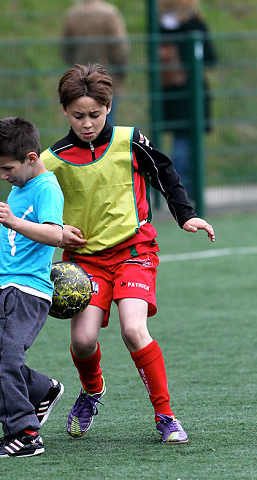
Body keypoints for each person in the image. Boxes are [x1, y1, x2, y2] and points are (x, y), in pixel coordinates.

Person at [41, 63, 215, 445]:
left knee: (134, 329)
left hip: (134, 251)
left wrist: (186, 215)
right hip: (84, 262)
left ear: (109, 106)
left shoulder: (129, 140)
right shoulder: (51, 160)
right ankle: (92, 391)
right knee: (84, 341)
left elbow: (164, 173)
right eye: (78, 115)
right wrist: (15, 233)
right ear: (64, 111)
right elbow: (32, 211)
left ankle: (165, 415)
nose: (87, 123)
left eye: (95, 114)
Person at [0, 117, 65, 458]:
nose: (3, 175)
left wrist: (13, 222)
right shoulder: (20, 188)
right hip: (3, 286)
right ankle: (40, 390)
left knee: (1, 358)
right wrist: (2, 240)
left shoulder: (46, 187)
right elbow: (26, 235)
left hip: (24, 290)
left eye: (7, 167)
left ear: (32, 158)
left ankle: (24, 433)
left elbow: (55, 234)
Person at [159, 0, 217, 197]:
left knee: (181, 142)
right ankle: (182, 189)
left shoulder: (161, 26)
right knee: (187, 144)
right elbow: (210, 58)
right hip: (191, 93)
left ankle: (180, 187)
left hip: (173, 94)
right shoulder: (194, 25)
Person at [61, 0, 129, 125]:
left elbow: (65, 48)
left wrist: (74, 67)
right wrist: (121, 70)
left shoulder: (73, 14)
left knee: (81, 122)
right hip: (106, 78)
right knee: (105, 121)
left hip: (79, 79)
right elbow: (119, 48)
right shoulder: (110, 13)